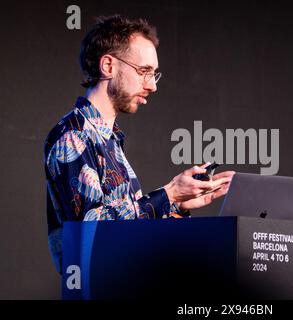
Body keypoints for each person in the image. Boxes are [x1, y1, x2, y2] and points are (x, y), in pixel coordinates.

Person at [43, 15, 235, 273]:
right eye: (144, 71)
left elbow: (130, 233)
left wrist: (177, 204)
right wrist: (168, 194)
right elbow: (91, 233)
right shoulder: (73, 136)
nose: (152, 85)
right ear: (108, 65)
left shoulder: (108, 139)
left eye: (154, 74)